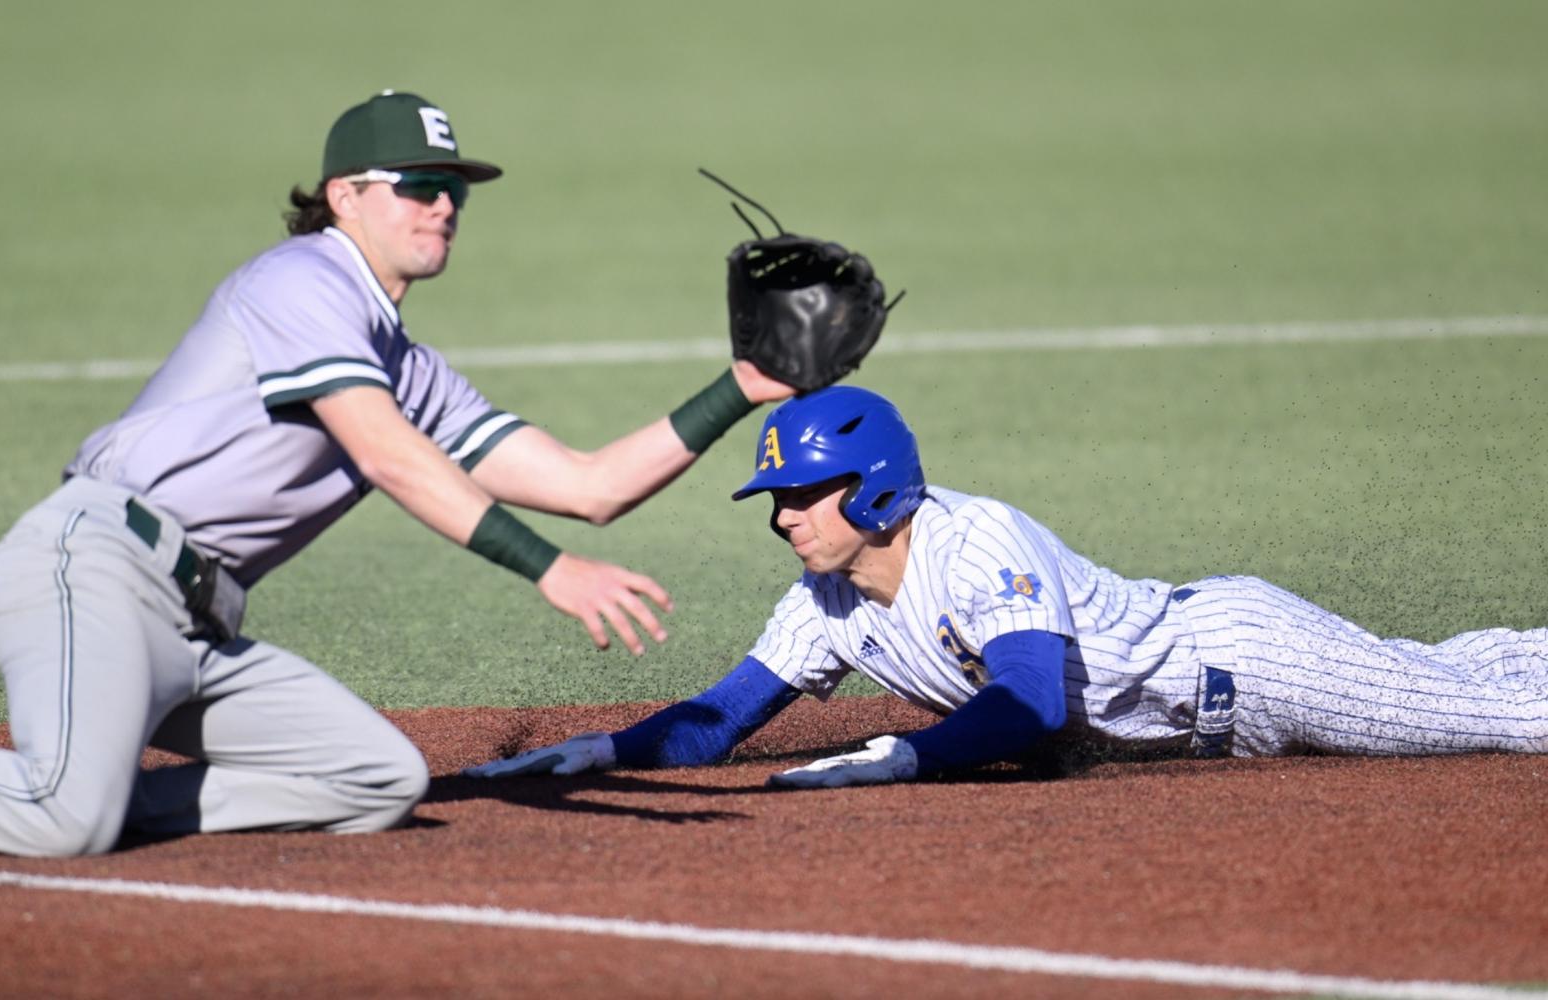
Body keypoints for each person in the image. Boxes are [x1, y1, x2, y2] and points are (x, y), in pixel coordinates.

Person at [0, 90, 796, 856]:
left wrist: (744, 386)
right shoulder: (304, 278)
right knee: (65, 816)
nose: (442, 206)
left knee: (374, 779)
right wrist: (551, 569)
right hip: (96, 569)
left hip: (190, 629)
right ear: (345, 196)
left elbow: (589, 486)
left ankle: (105, 801)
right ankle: (84, 803)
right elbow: (388, 456)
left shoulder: (405, 368)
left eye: (454, 190)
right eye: (417, 185)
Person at [470, 385, 1548, 787]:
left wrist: (901, 756)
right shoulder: (825, 604)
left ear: (878, 489)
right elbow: (720, 724)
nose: (783, 514)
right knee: (1467, 664)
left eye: (804, 492)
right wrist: (598, 753)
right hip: (1205, 713)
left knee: (1492, 714)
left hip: (1244, 658)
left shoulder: (975, 541)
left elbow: (1028, 703)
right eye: (773, 498)